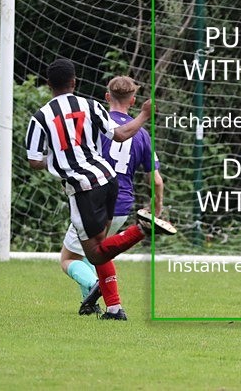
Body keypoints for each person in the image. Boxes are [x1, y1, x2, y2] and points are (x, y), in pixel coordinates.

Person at [26, 59, 174, 320]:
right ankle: (114, 308)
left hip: (84, 190)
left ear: (48, 84)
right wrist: (144, 115)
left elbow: (34, 161)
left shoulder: (39, 118)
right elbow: (118, 135)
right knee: (100, 247)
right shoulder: (91, 106)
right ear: (74, 82)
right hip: (110, 182)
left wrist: (60, 157)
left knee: (78, 256)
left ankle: (140, 231)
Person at [58, 76, 164, 319]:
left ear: (107, 97)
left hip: (94, 197)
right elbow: (156, 180)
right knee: (100, 251)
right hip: (122, 204)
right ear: (133, 100)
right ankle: (109, 306)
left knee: (68, 258)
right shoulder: (142, 135)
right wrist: (157, 208)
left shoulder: (95, 124)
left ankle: (96, 286)